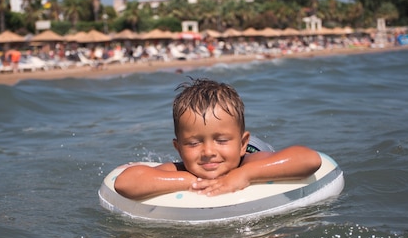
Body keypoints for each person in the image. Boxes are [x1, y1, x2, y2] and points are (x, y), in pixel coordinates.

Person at [114, 78, 322, 200]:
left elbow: (309, 159)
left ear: (242, 144)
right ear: (178, 148)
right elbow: (125, 182)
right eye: (193, 143)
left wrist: (245, 174)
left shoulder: (250, 159)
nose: (208, 152)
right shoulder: (183, 169)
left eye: (220, 140)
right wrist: (189, 181)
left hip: (253, 151)